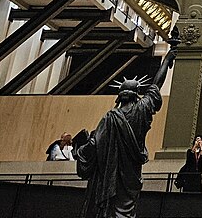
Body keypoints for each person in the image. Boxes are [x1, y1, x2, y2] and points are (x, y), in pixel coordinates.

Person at [73, 38, 175, 218]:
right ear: (136, 95)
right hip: (131, 175)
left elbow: (94, 146)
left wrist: (80, 150)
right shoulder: (142, 110)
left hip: (110, 178)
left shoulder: (110, 118)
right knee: (128, 210)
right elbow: (156, 85)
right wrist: (167, 59)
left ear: (120, 97)